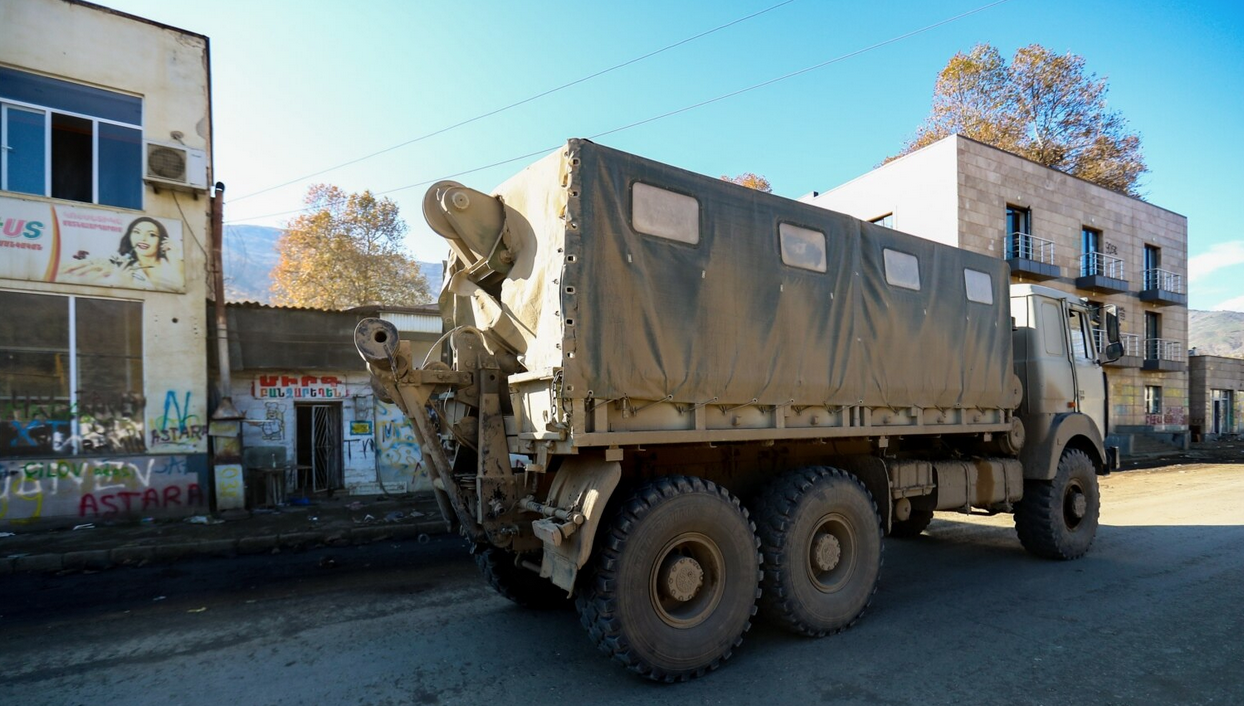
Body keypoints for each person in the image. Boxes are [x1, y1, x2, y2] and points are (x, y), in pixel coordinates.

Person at [60, 216, 182, 289]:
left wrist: (174, 260)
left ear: (162, 240)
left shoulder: (175, 264)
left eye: (151, 234)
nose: (143, 238)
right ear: (129, 236)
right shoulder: (121, 268)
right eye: (137, 232)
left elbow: (183, 290)